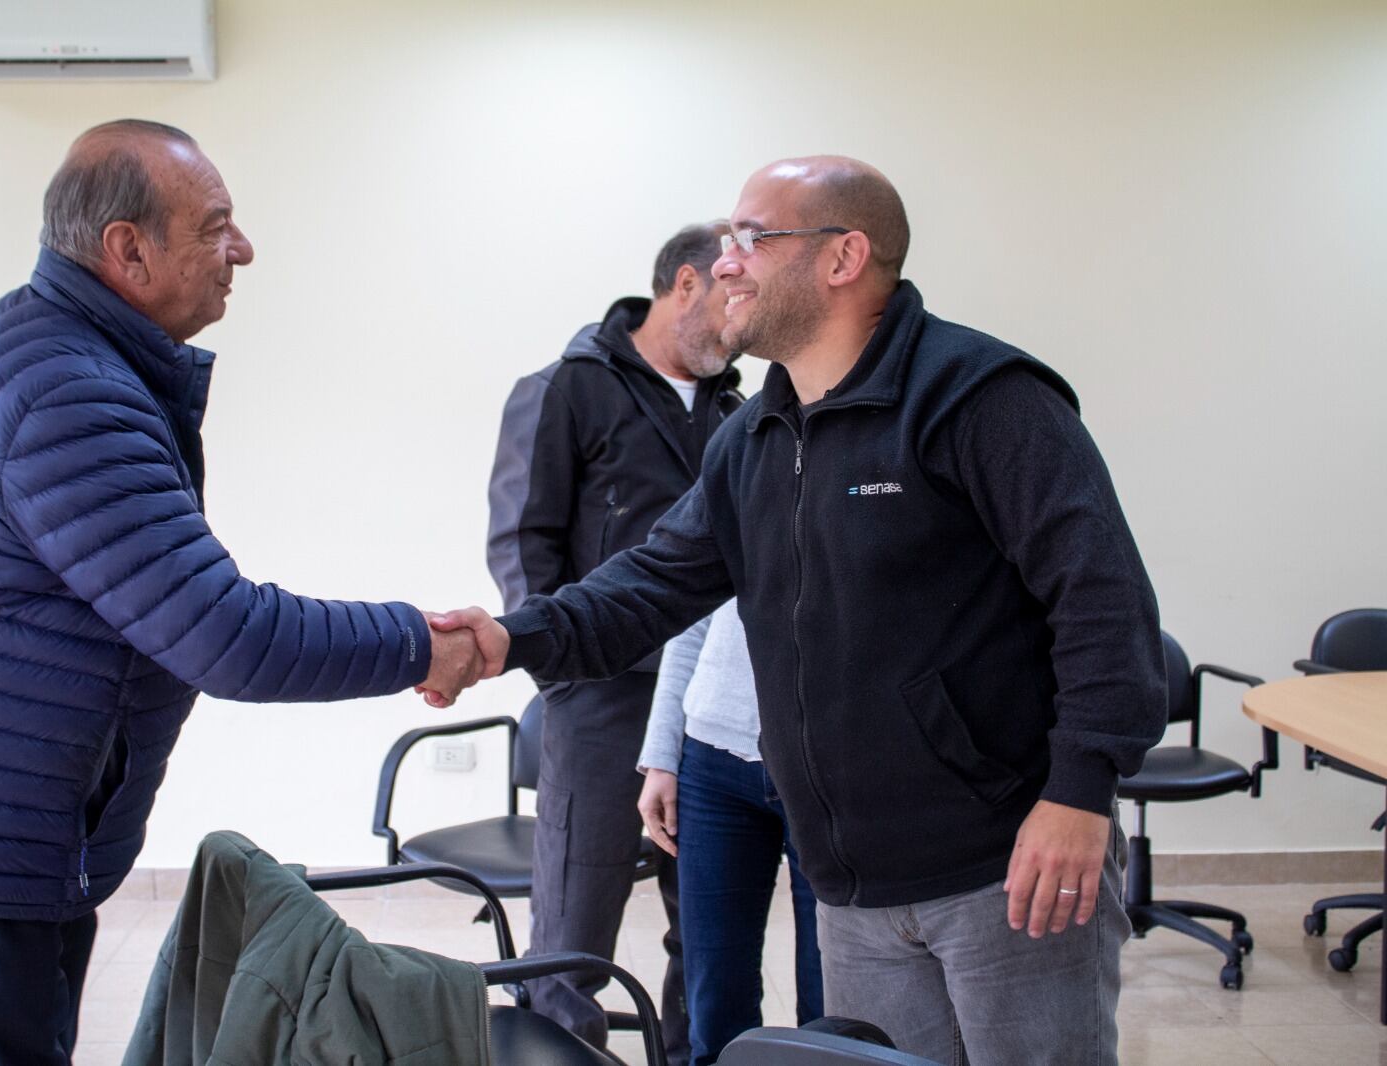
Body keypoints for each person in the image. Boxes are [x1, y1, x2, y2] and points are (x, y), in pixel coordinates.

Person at [426, 155, 1168, 1066]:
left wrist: (1079, 792)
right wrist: (510, 637)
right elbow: (651, 582)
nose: (725, 261)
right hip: (853, 889)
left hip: (1006, 868)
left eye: (752, 237)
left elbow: (1105, 604)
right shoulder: (753, 438)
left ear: (844, 257)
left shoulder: (982, 399)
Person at [0, 119, 482, 1066]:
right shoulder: (65, 391)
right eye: (216, 225)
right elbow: (228, 634)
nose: (243, 250)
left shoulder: (58, 346)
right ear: (127, 249)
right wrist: (425, 642)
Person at [485, 222, 744, 1060]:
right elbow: (522, 545)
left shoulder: (740, 414)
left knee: (706, 925)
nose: (739, 317)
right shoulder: (565, 388)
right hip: (601, 695)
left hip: (710, 704)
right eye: (727, 296)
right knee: (573, 928)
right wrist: (563, 678)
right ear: (682, 286)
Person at [637, 598, 823, 1065]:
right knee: (714, 1003)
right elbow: (689, 618)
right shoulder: (724, 519)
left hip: (828, 764)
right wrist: (661, 754)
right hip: (712, 762)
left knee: (829, 999)